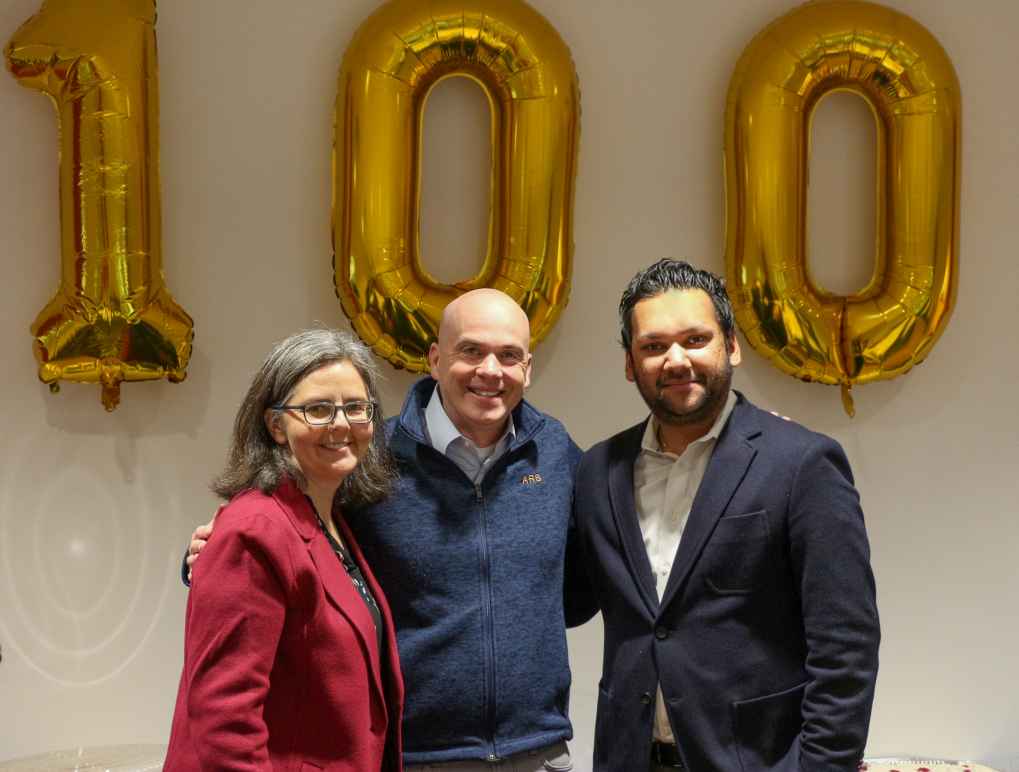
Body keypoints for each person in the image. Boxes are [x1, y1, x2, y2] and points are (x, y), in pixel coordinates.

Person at [186, 289, 592, 771]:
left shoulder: (555, 452)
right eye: (471, 351)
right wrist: (203, 555)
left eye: (508, 356)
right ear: (436, 359)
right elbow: (285, 531)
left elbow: (586, 575)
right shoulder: (369, 455)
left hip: (539, 752)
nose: (490, 370)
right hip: (414, 755)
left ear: (527, 367)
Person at [572, 259, 880, 771]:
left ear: (731, 345)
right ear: (630, 363)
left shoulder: (800, 462)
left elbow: (846, 646)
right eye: (653, 346)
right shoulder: (597, 470)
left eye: (695, 340)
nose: (675, 360)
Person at [166, 329, 404, 771]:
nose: (340, 424)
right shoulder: (254, 531)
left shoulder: (330, 519)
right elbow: (225, 723)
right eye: (317, 409)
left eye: (356, 407)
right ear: (276, 425)